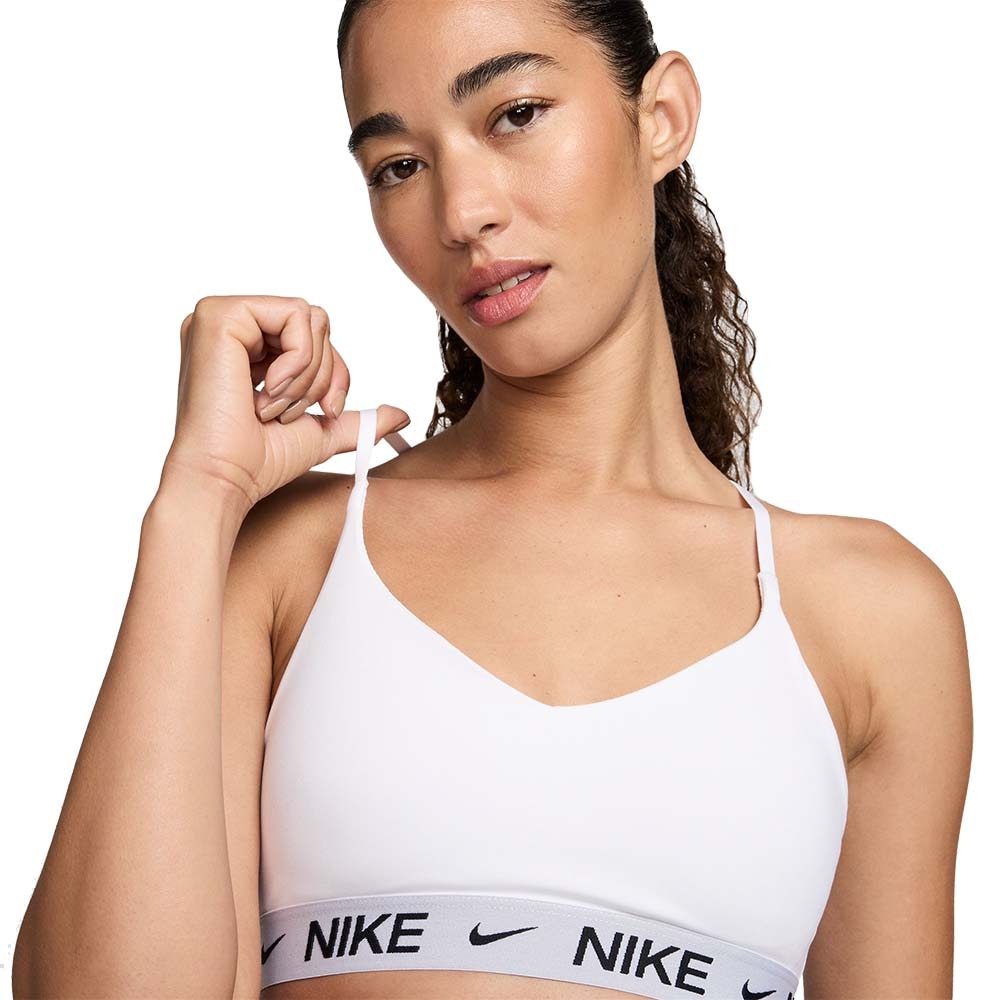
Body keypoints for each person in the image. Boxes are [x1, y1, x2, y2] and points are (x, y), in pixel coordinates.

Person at [12, 1, 972, 998]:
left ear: (662, 117)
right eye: (398, 166)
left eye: (514, 115)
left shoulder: (869, 615)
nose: (461, 212)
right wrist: (197, 499)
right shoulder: (288, 559)